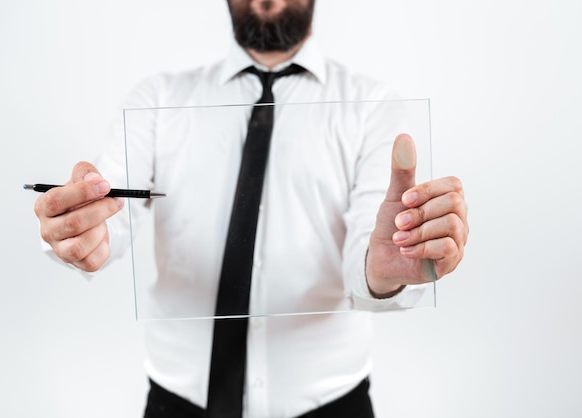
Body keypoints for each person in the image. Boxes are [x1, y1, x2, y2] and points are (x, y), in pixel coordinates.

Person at [34, 0, 469, 417]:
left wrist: (389, 266)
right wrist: (80, 231)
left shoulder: (373, 107)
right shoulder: (157, 99)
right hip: (178, 403)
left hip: (331, 403)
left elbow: (367, 258)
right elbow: (112, 214)